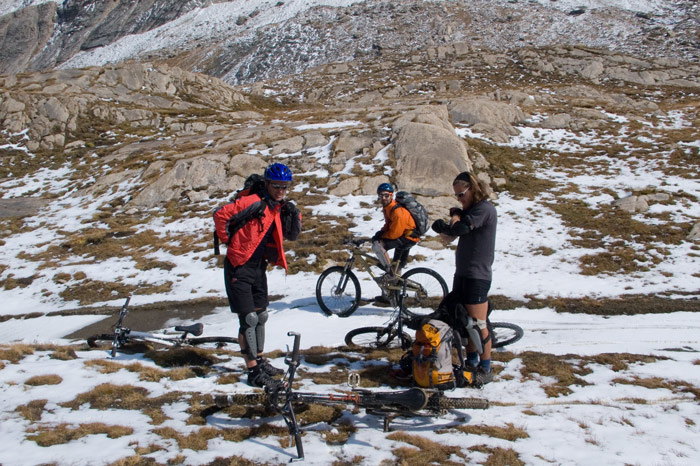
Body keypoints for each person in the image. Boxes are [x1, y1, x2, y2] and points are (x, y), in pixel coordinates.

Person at [213, 162, 301, 388]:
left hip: (258, 267)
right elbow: (221, 215)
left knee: (261, 316)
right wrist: (229, 242)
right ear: (267, 184)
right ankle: (253, 372)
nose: (281, 190)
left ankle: (259, 361)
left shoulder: (277, 206)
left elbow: (290, 236)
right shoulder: (253, 201)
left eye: (285, 186)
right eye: (276, 186)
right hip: (239, 267)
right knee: (248, 319)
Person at [431, 171, 497, 386]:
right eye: (456, 195)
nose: (459, 198)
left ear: (473, 189)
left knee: (478, 324)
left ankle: (485, 368)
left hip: (477, 275)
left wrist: (451, 221)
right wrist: (452, 218)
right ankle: (471, 363)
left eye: (461, 194)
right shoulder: (469, 210)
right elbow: (456, 225)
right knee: (466, 323)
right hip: (462, 273)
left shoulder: (484, 209)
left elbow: (461, 228)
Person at [371, 183, 419, 300]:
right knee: (397, 267)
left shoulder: (397, 211)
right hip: (405, 237)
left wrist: (382, 238)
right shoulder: (388, 208)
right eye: (381, 196)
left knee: (377, 246)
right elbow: (389, 224)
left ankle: (390, 274)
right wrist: (381, 233)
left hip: (407, 238)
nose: (383, 198)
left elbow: (395, 233)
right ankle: (393, 296)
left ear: (391, 196)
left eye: (386, 196)